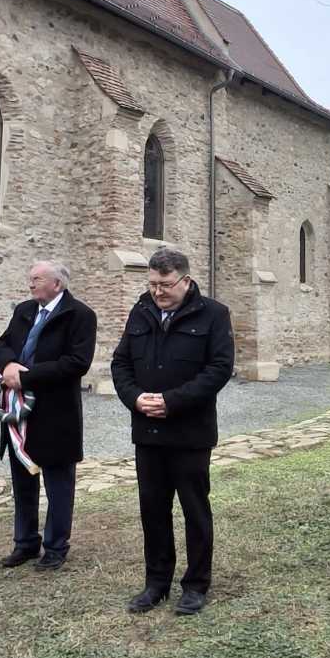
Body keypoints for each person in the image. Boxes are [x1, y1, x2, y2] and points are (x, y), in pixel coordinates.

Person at [110, 246, 234, 616]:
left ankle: (195, 585)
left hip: (190, 433)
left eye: (165, 285)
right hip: (148, 432)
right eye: (152, 284)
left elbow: (219, 368)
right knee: (153, 509)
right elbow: (120, 363)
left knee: (195, 511)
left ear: (186, 280)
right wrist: (135, 398)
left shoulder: (214, 314)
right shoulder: (141, 310)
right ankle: (156, 583)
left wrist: (172, 401)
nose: (157, 291)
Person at [0, 261, 97, 571]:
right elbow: (2, 345)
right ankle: (25, 543)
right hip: (20, 415)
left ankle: (55, 547)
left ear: (57, 284)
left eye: (36, 279)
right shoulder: (25, 310)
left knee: (58, 485)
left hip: (56, 414)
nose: (30, 284)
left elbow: (77, 362)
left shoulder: (80, 315)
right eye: (30, 278)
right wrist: (9, 365)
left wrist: (26, 377)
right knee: (23, 482)